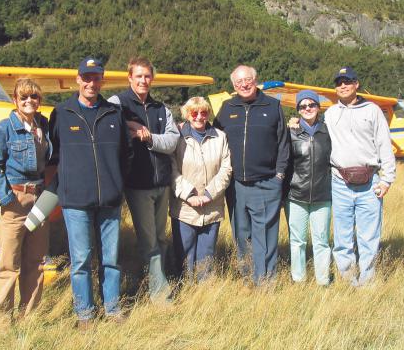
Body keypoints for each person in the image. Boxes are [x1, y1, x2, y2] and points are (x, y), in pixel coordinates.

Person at [49, 57, 132, 327]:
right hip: (75, 201)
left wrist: (117, 183)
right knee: (81, 260)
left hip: (109, 199)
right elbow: (54, 155)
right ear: (78, 79)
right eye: (86, 77)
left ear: (102, 81)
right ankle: (84, 313)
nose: (91, 83)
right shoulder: (61, 113)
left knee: (111, 259)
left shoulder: (113, 113)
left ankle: (112, 308)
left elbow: (126, 154)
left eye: (96, 78)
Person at [108, 57, 179, 301]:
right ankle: (160, 295)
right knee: (149, 241)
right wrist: (129, 123)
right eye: (138, 76)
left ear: (152, 79)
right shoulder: (118, 102)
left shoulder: (161, 108)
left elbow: (172, 142)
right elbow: (110, 123)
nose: (143, 80)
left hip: (162, 183)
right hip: (137, 184)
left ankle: (150, 280)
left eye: (147, 76)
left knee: (161, 238)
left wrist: (148, 138)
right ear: (129, 78)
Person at [214, 65, 290, 284]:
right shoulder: (227, 108)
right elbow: (215, 138)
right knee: (241, 233)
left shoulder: (273, 106)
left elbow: (283, 144)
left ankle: (265, 280)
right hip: (236, 185)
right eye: (238, 82)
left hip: (266, 182)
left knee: (265, 235)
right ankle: (248, 278)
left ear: (256, 80)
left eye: (247, 80)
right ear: (233, 85)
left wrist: (279, 176)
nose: (244, 85)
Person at [0, 78, 52, 324]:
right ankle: (3, 323)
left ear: (39, 101)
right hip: (15, 199)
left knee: (35, 262)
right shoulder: (3, 129)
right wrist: (7, 198)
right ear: (15, 100)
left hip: (40, 198)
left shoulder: (42, 125)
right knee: (8, 265)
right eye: (23, 97)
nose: (29, 101)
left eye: (33, 97)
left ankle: (29, 319)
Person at [325, 66, 396, 287]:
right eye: (339, 82)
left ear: (357, 84)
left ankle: (367, 282)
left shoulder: (372, 110)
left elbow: (385, 144)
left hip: (370, 183)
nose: (343, 85)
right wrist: (296, 123)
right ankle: (348, 281)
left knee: (369, 238)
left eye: (348, 81)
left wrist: (387, 179)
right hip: (339, 182)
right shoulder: (330, 113)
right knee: (342, 238)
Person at [170, 97, 232, 280]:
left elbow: (226, 169)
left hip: (211, 206)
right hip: (184, 208)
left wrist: (208, 194)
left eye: (203, 112)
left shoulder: (220, 137)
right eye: (194, 113)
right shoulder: (178, 137)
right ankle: (185, 288)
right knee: (184, 255)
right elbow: (171, 169)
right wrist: (189, 195)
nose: (199, 117)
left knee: (207, 255)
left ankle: (204, 290)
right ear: (187, 114)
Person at [285, 89, 332, 286]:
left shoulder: (328, 131)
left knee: (321, 241)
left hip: (323, 195)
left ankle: (323, 281)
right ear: (297, 110)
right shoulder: (291, 132)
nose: (307, 108)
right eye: (303, 106)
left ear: (318, 107)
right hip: (296, 195)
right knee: (298, 241)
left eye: (311, 104)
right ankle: (299, 280)